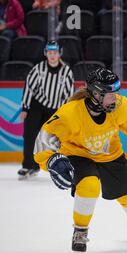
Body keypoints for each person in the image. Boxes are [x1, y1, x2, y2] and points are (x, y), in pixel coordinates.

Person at [33, 67, 127, 253]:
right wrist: (52, 160)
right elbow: (44, 139)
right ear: (95, 94)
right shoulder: (71, 113)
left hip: (111, 155)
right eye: (110, 95)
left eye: (116, 93)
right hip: (79, 155)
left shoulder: (120, 106)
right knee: (89, 186)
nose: (115, 98)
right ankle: (80, 231)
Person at [18, 40, 74, 180]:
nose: (52, 55)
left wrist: (67, 113)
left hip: (55, 110)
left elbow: (69, 94)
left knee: (56, 139)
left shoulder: (66, 71)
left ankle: (63, 166)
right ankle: (29, 166)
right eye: (49, 52)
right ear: (45, 53)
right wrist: (25, 108)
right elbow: (29, 88)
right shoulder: (38, 69)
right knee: (30, 135)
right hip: (38, 106)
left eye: (55, 52)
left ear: (59, 53)